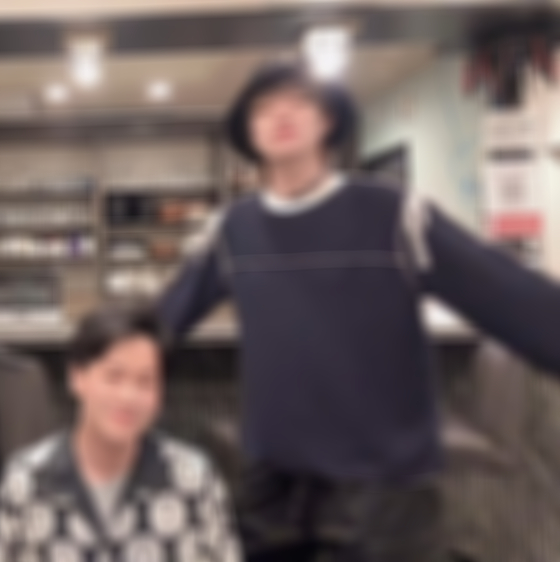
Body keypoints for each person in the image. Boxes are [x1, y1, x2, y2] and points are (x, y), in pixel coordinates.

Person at [158, 60, 560, 562]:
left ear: (328, 120)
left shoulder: (393, 214)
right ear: (248, 131)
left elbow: (506, 293)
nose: (280, 114)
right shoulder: (232, 230)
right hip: (274, 476)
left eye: (298, 101)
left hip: (383, 481)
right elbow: (162, 322)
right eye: (263, 108)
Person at [0, 303, 240, 562]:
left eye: (145, 381)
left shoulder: (194, 482)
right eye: (114, 377)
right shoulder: (27, 482)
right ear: (77, 377)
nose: (128, 397)